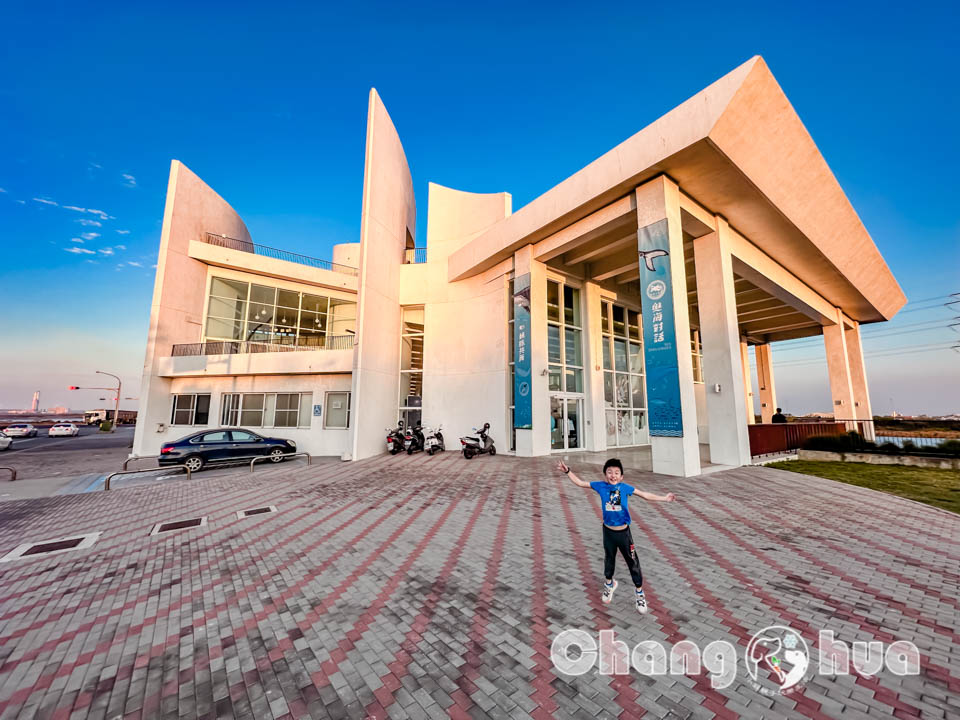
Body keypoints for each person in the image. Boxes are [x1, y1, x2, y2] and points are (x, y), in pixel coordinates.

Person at [556, 458, 675, 614]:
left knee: (632, 562)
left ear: (621, 476)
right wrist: (567, 471)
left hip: (624, 533)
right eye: (610, 472)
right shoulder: (601, 486)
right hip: (608, 532)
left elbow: (645, 495)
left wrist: (664, 498)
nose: (613, 475)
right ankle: (609, 584)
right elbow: (580, 483)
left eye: (616, 473)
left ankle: (639, 593)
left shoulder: (625, 488)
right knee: (609, 559)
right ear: (605, 474)